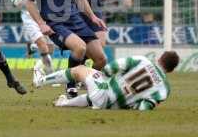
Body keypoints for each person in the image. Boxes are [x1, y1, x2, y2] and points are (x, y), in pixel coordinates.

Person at [33, 51, 179, 111]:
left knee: (80, 70)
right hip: (113, 106)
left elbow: (111, 68)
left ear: (159, 58)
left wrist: (104, 77)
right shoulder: (164, 90)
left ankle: (40, 80)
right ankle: (63, 103)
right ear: (171, 70)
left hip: (104, 93)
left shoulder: (142, 61)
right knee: (95, 96)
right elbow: (144, 107)